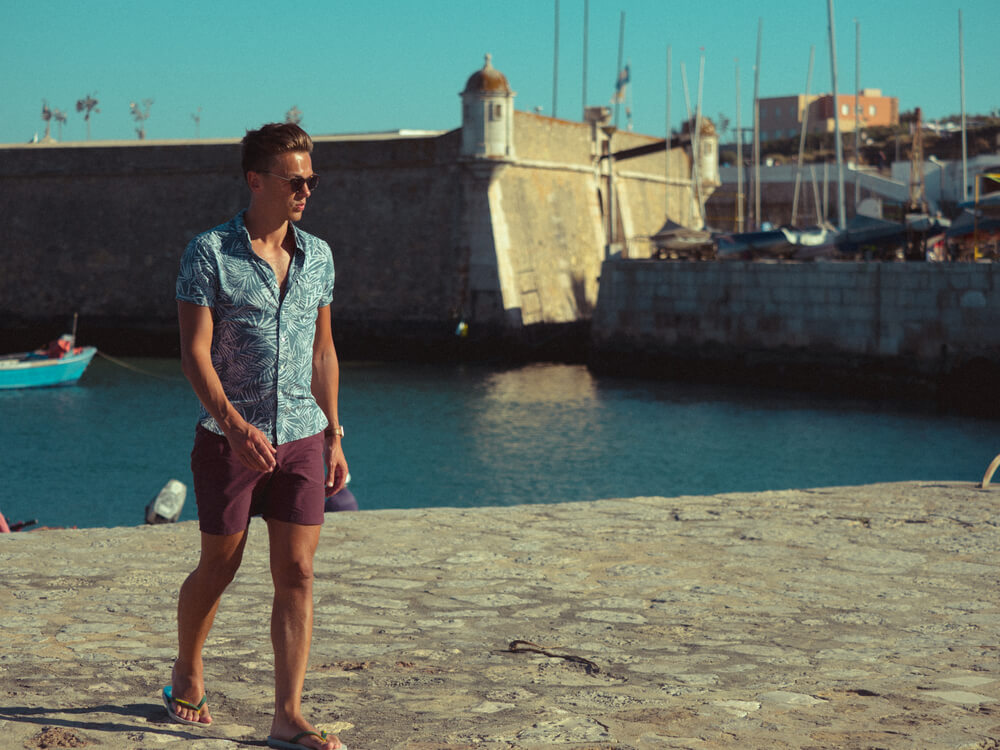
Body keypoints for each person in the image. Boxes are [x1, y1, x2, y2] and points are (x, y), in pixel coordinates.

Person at [168, 122, 348, 750]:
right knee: (221, 564)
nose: (306, 191)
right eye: (295, 180)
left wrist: (335, 434)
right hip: (228, 437)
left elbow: (322, 352)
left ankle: (287, 715)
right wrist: (235, 425)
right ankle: (188, 665)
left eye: (311, 180)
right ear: (256, 180)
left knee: (297, 571)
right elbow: (194, 353)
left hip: (302, 433)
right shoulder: (209, 252)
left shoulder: (319, 256)